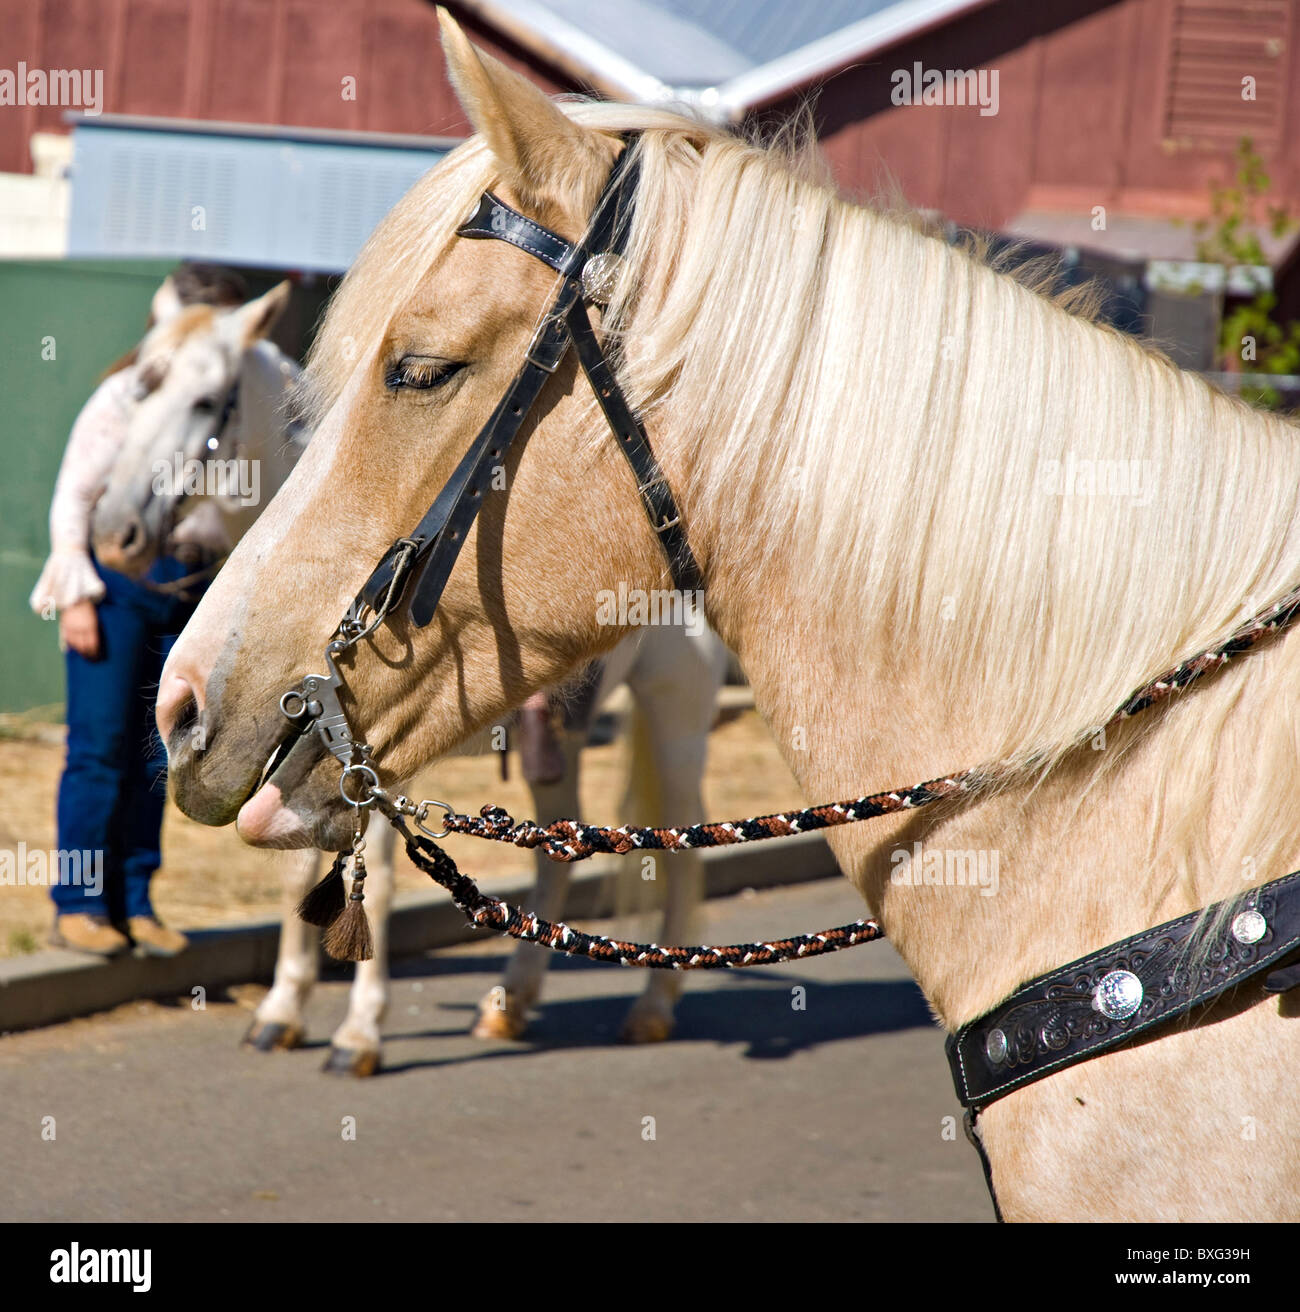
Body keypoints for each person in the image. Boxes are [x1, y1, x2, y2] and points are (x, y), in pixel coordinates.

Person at [29, 264, 251, 957]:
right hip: (117, 583)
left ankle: (136, 899)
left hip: (188, 589)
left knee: (158, 752)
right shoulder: (124, 396)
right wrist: (75, 595)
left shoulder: (239, 401)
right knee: (98, 751)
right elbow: (74, 496)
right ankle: (79, 903)